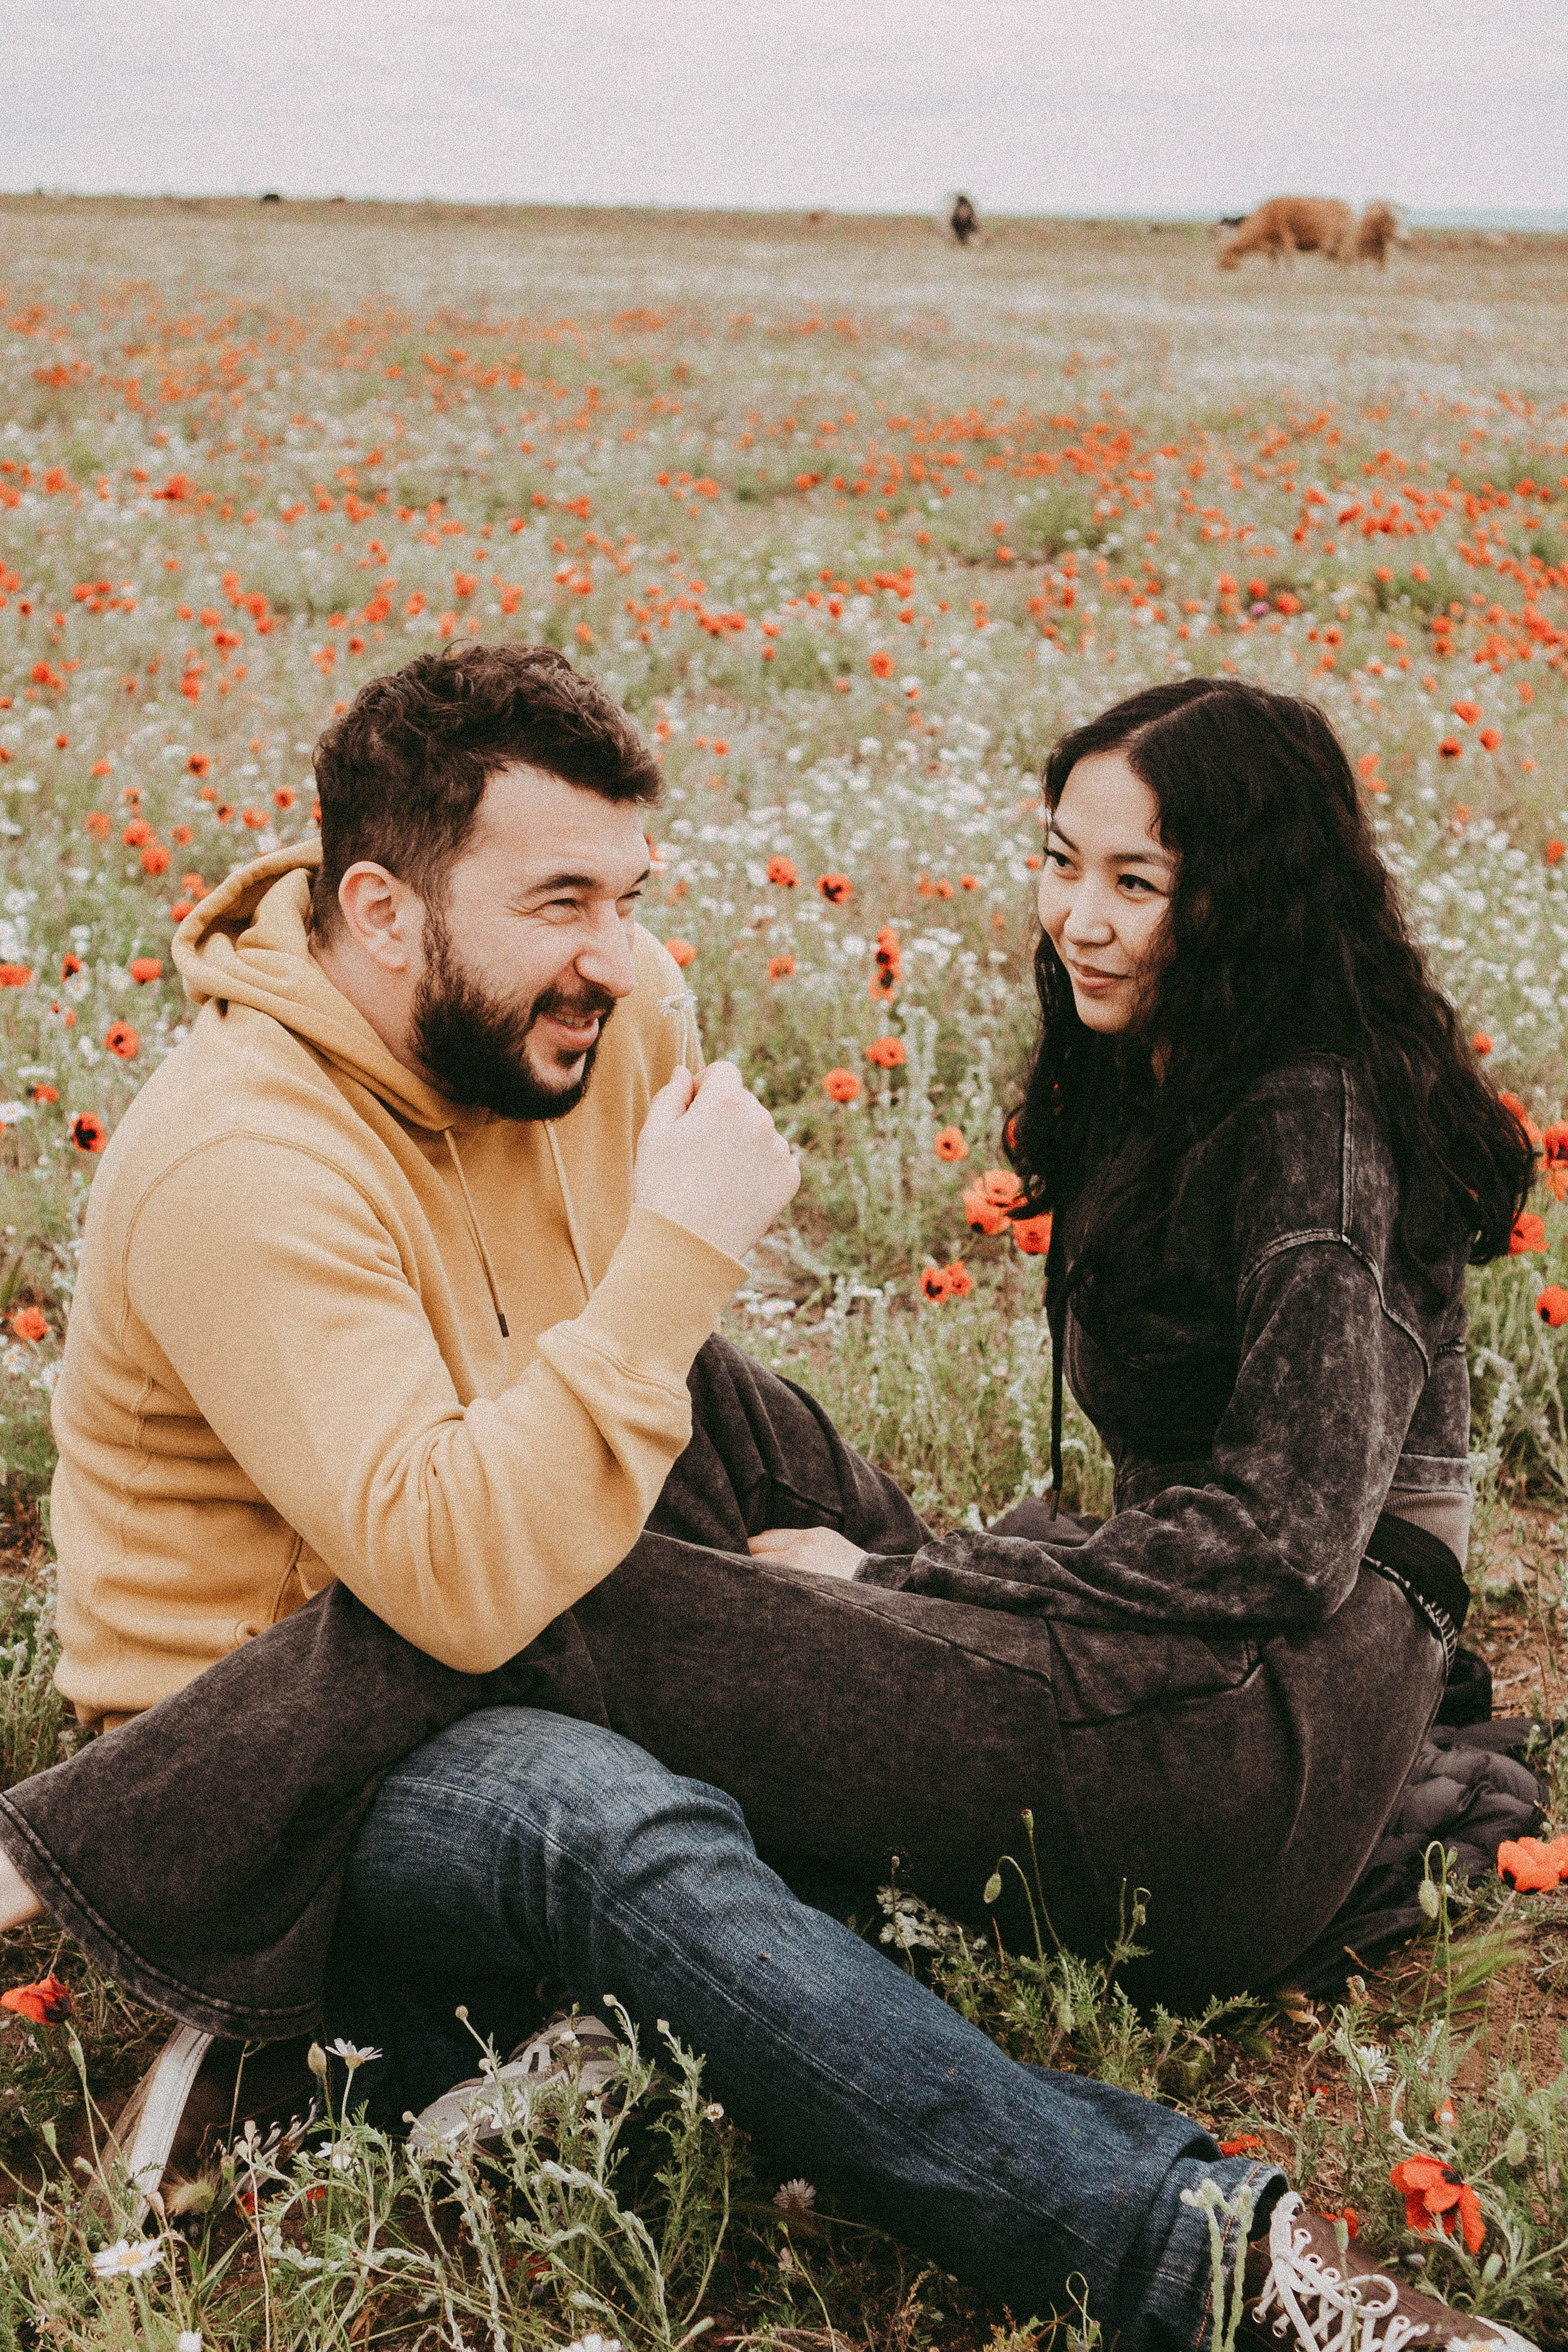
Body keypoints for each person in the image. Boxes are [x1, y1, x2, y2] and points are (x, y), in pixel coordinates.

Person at [0, 652, 1537, 2352]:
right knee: (619, 1821)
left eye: (631, 896)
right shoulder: (242, 1166)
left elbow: (654, 1415)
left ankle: (532, 2026)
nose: (618, 955)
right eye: (560, 901)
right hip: (302, 1743)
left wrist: (886, 1581)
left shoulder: (585, 1015)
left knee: (718, 1419)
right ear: (382, 909)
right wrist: (720, 1332)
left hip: (527, 1564)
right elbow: (459, 1579)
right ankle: (1190, 2254)